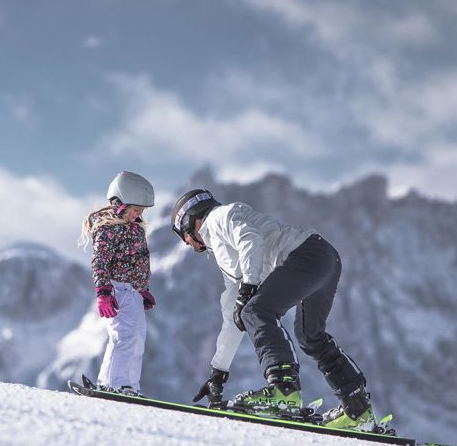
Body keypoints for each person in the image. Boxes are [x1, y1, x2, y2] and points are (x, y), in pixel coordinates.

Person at [171, 188, 376, 430]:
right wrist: (218, 372)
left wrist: (248, 290)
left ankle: (284, 392)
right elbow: (233, 314)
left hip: (306, 255)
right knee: (309, 336)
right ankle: (358, 408)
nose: (186, 243)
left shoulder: (219, 217)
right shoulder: (224, 252)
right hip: (323, 257)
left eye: (182, 235)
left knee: (256, 311)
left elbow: (250, 240)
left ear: (189, 221)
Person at [79, 171, 156, 396]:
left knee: (136, 338)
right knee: (124, 337)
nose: (138, 215)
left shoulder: (134, 227)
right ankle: (116, 384)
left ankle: (125, 384)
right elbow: (100, 259)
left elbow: (135, 262)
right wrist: (103, 291)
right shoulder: (109, 227)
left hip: (131, 290)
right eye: (135, 210)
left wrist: (142, 290)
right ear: (120, 203)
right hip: (118, 289)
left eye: (141, 212)